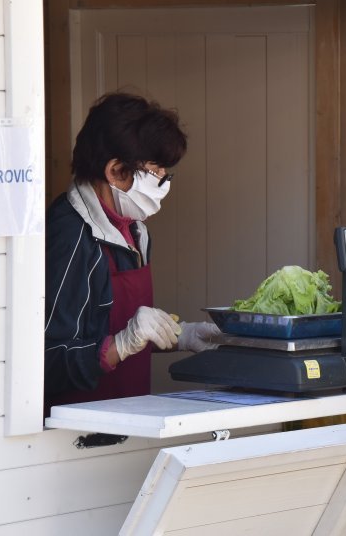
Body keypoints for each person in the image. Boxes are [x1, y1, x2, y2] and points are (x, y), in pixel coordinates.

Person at [44, 92, 220, 415]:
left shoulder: (135, 229)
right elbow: (48, 361)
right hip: (80, 434)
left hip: (131, 417)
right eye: (157, 176)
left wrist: (180, 335)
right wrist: (121, 344)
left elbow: (120, 328)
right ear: (115, 171)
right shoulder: (69, 235)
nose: (164, 186)